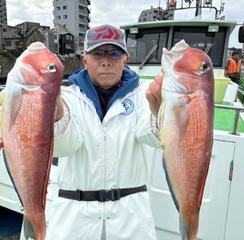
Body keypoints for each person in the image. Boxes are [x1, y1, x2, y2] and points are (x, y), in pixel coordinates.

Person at [48, 24, 162, 240]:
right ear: (85, 59)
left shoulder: (143, 96)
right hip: (74, 221)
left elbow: (154, 136)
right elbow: (63, 146)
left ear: (125, 59)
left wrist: (161, 114)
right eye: (98, 53)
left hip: (131, 221)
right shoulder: (65, 97)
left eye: (115, 53)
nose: (106, 60)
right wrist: (57, 116)